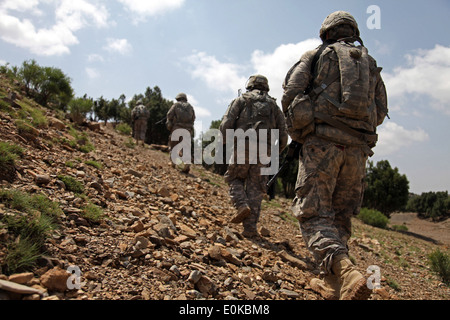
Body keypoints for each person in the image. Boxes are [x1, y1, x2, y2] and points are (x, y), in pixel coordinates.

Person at [281, 11, 388, 300]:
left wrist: (303, 132)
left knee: (313, 214)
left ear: (326, 33)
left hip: (323, 145)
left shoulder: (316, 56)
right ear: (353, 31)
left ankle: (347, 272)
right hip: (358, 151)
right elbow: (379, 111)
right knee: (340, 217)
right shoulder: (369, 63)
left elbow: (291, 94)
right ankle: (335, 283)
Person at [220, 75, 288, 238]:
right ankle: (250, 229)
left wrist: (227, 142)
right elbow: (284, 133)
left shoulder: (241, 100)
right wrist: (275, 152)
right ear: (266, 87)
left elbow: (226, 124)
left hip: (243, 145)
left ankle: (241, 204)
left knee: (234, 178)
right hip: (265, 150)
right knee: (256, 189)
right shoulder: (273, 105)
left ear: (249, 85)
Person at [166, 93, 196, 173]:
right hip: (188, 129)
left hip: (177, 128)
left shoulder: (176, 105)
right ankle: (187, 163)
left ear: (179, 99)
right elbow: (193, 118)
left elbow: (169, 114)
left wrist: (170, 123)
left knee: (174, 145)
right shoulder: (190, 107)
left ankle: (173, 163)